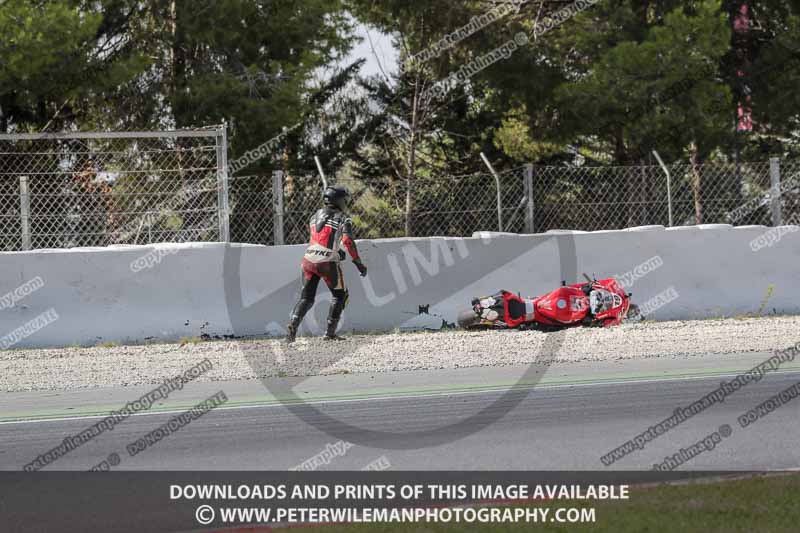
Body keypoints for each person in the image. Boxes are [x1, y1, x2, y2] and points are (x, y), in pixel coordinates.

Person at [286, 185, 367, 343]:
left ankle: (292, 326)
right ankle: (330, 333)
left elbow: (321, 239)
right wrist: (358, 263)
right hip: (328, 262)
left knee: (306, 299)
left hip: (308, 260)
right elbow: (348, 241)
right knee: (340, 296)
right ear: (338, 200)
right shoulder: (343, 217)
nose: (346, 202)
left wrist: (338, 251)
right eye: (344, 199)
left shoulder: (314, 215)